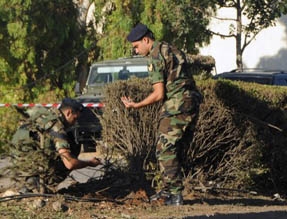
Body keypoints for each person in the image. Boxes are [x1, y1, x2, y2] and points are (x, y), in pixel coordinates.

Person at [121, 23, 202, 206]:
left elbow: (159, 94)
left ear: (146, 40)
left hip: (177, 104)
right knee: (175, 148)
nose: (136, 51)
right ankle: (167, 191)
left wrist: (136, 105)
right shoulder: (171, 48)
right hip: (192, 101)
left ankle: (175, 195)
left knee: (164, 149)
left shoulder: (155, 56)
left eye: (136, 46)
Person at [11, 97, 102, 193]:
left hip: (16, 160)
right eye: (75, 118)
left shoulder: (46, 113)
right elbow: (69, 163)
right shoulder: (57, 127)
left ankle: (30, 183)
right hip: (29, 164)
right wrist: (89, 163)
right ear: (68, 113)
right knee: (72, 150)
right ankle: (39, 185)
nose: (75, 122)